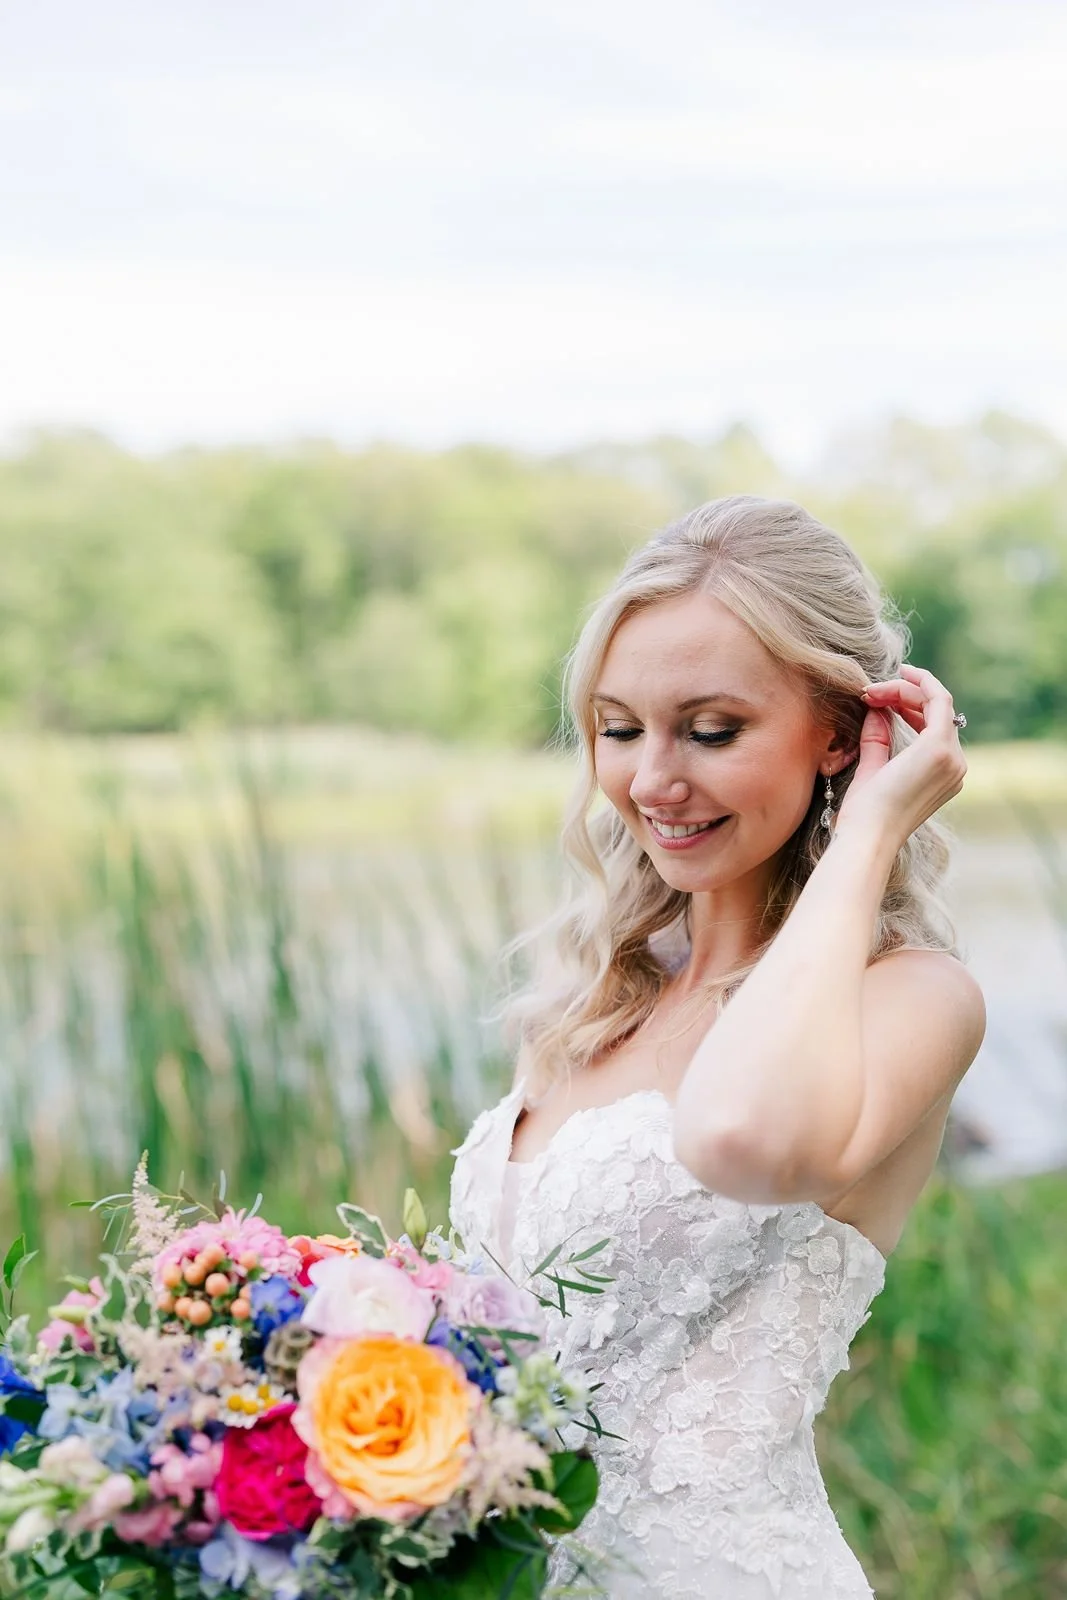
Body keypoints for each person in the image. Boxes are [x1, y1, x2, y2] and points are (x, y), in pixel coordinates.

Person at [448, 496, 986, 1598]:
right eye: (619, 728)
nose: (652, 781)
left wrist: (870, 827)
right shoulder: (593, 1003)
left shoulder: (913, 999)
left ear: (836, 733)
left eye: (709, 731)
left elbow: (742, 1138)